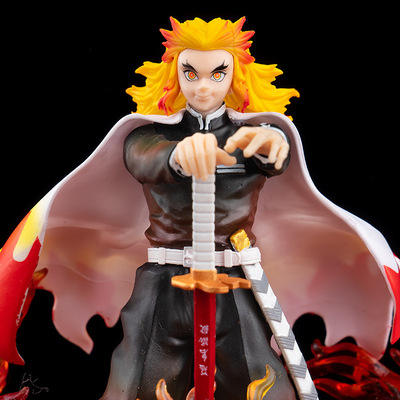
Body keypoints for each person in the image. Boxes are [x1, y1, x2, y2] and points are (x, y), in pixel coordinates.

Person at [0, 16, 398, 400]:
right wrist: (177, 156)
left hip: (235, 277)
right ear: (174, 75)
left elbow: (274, 154)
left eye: (217, 74)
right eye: (191, 73)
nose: (204, 87)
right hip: (163, 281)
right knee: (138, 380)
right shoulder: (148, 136)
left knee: (258, 377)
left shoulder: (252, 135)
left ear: (235, 76)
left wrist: (275, 145)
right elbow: (141, 158)